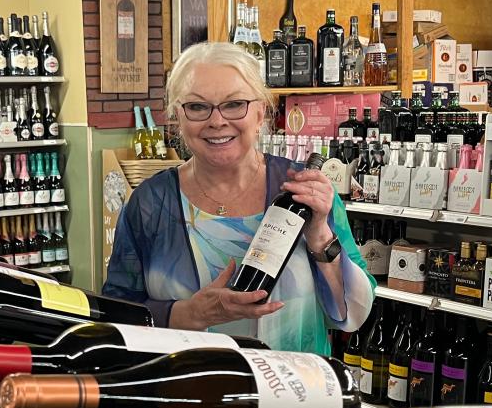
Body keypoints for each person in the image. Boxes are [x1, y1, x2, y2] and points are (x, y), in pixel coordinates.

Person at [104, 41, 374, 354]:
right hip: (188, 393)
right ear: (177, 116)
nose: (216, 121)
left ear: (260, 112)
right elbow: (116, 315)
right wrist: (189, 314)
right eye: (197, 106)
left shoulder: (304, 192)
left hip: (296, 396)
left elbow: (355, 314)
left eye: (234, 105)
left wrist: (320, 237)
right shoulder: (150, 203)